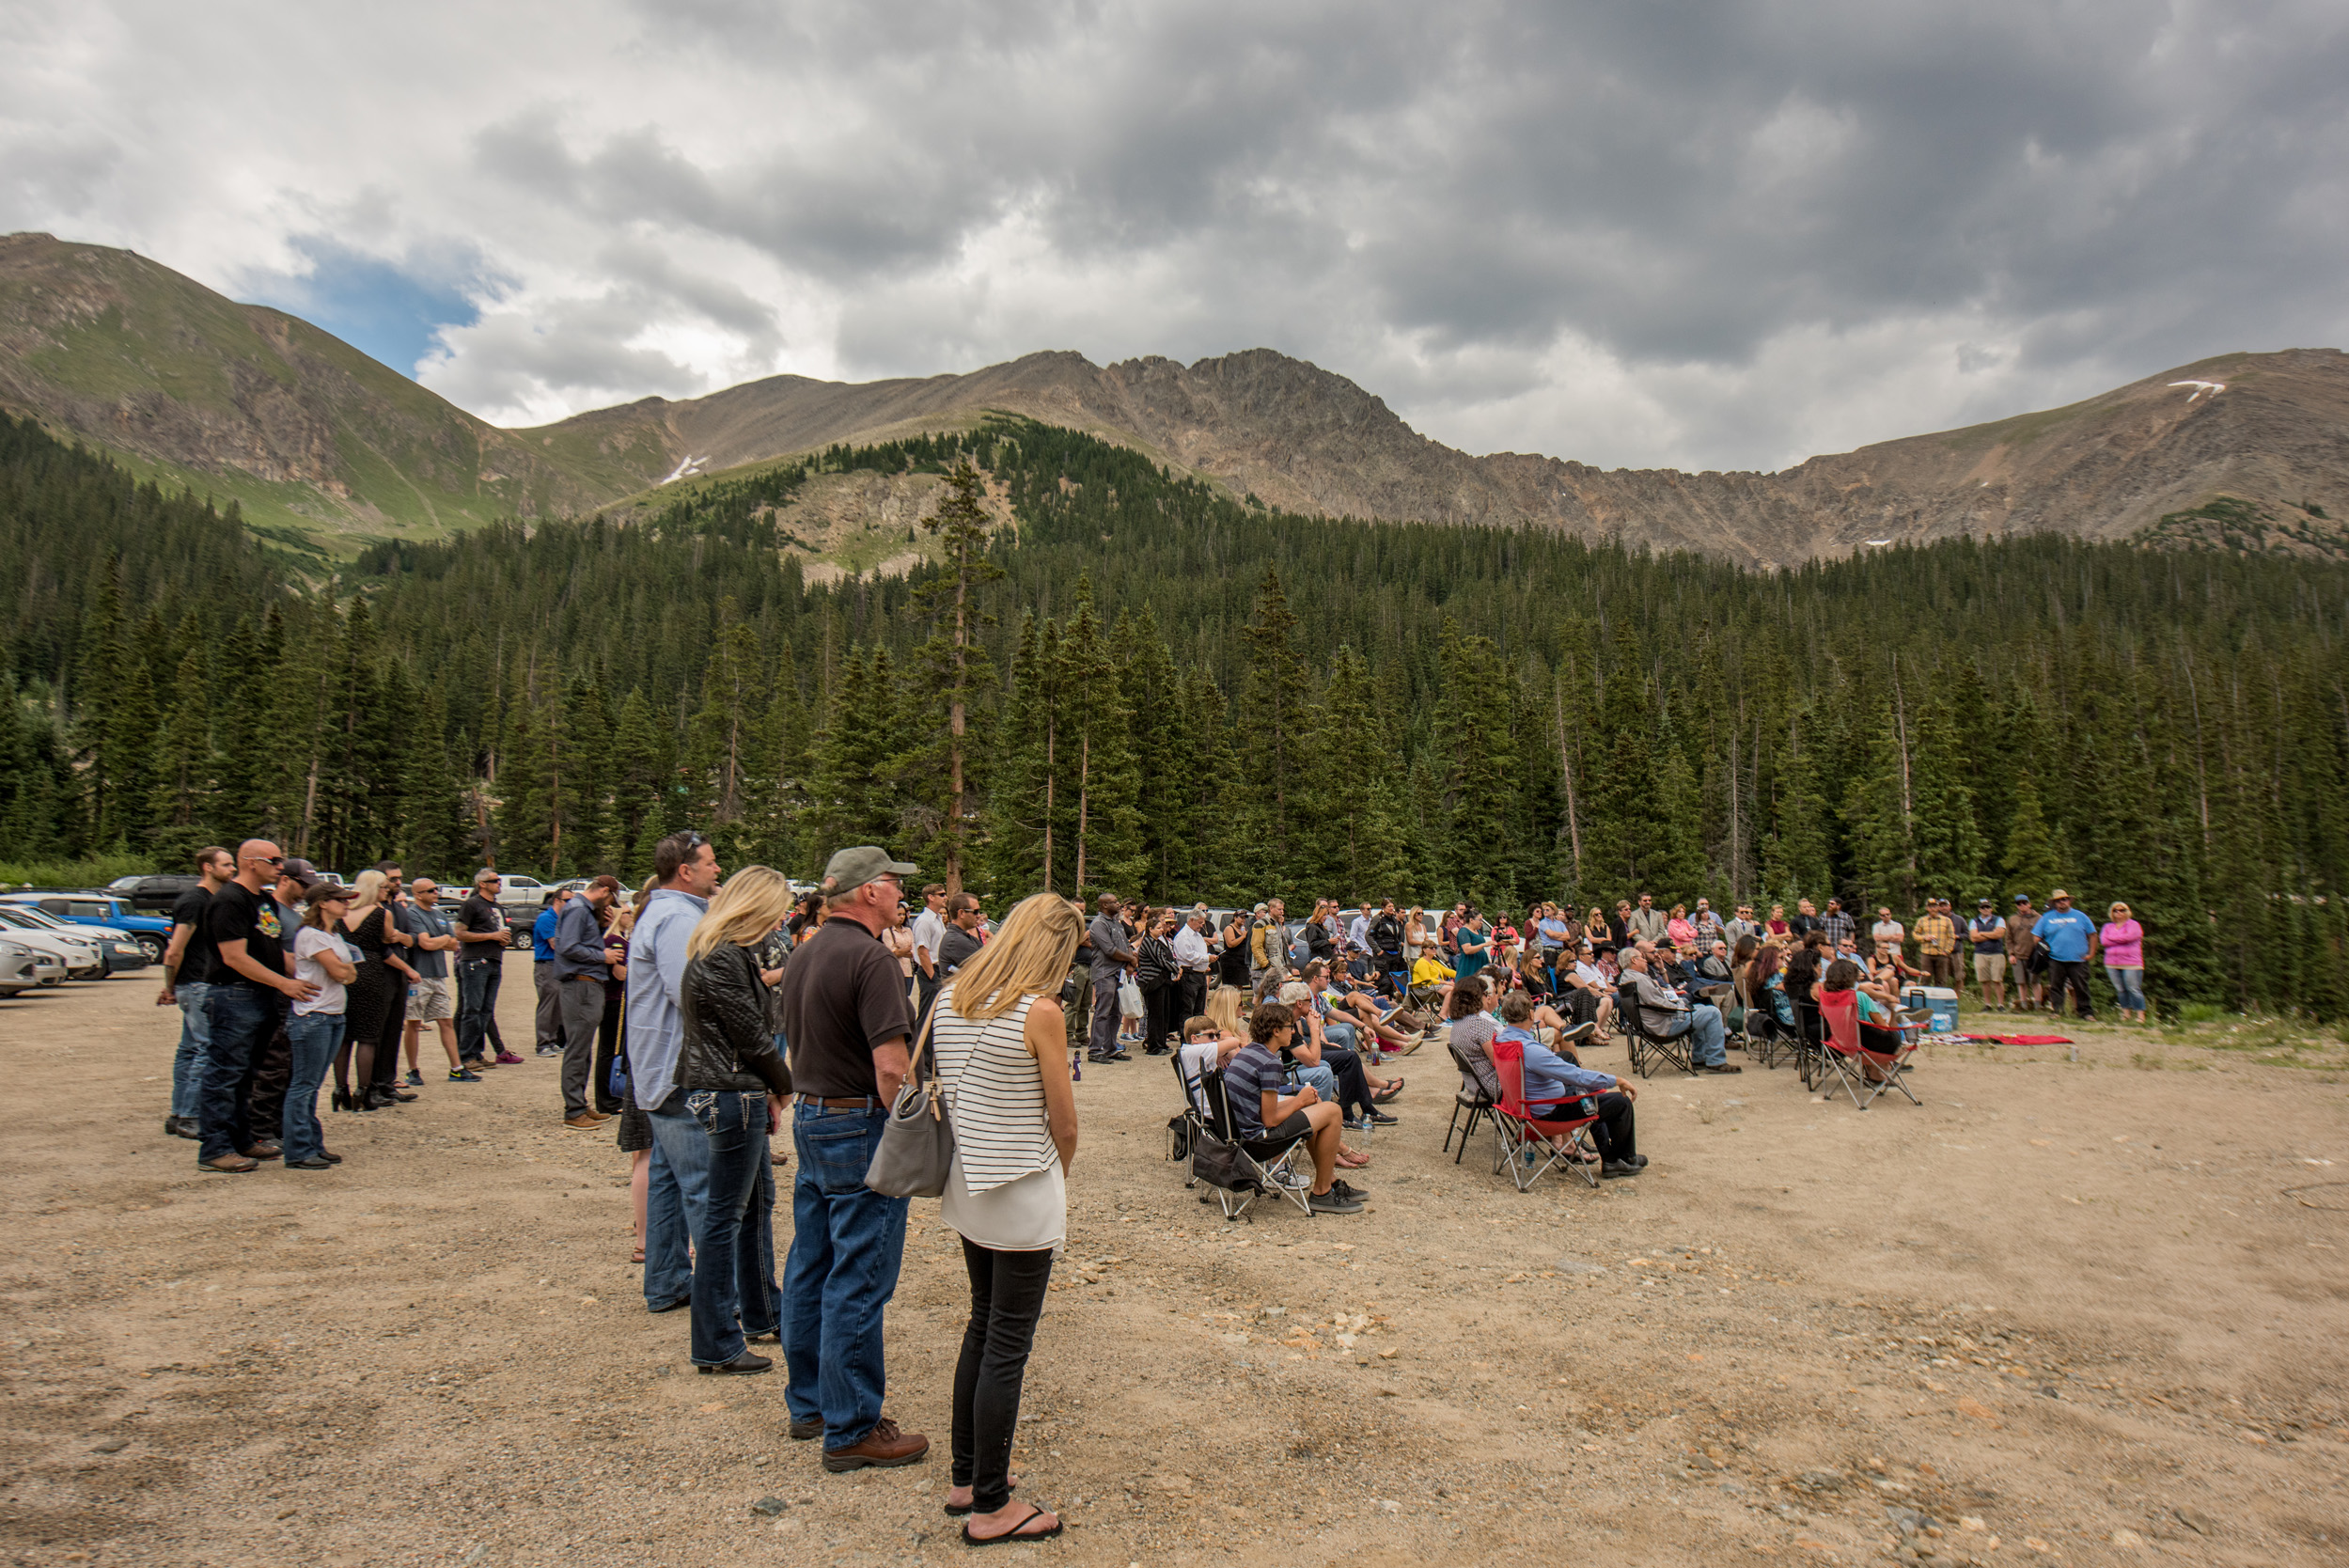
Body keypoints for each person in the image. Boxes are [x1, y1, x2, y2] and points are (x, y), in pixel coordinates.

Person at [926, 893, 1083, 1544]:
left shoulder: (950, 997)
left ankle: (969, 1475)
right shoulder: (1038, 1011)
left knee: (981, 1327)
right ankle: (991, 1505)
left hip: (970, 1181)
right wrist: (1059, 1173)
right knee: (1007, 1346)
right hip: (1020, 1181)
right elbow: (1063, 1120)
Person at [773, 845, 929, 1471]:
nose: (900, 895)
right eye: (894, 885)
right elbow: (891, 1066)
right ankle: (852, 1425)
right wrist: (913, 1128)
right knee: (860, 1276)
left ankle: (810, 1402)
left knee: (811, 1263)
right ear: (868, 892)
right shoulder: (871, 959)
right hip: (859, 1121)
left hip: (813, 1115)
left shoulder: (806, 952)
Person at [679, 866, 796, 1375]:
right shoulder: (723, 957)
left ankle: (763, 1311)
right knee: (724, 1219)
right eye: (775, 911)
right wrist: (785, 1083)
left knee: (753, 1208)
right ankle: (716, 1342)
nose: (779, 922)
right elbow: (751, 1036)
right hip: (731, 1093)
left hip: (738, 1092)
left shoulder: (728, 954)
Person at [632, 831, 726, 1318]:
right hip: (679, 1072)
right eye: (709, 863)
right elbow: (689, 994)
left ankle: (667, 1280)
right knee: (706, 1187)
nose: (717, 869)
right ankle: (720, 1299)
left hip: (662, 1069)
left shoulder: (667, 912)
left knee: (668, 1181)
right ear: (685, 870)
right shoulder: (675, 918)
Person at [197, 839, 315, 1171]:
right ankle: (214, 1149)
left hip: (262, 994)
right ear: (250, 862)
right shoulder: (230, 900)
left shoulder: (263, 900)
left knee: (248, 1073)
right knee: (224, 1074)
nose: (281, 866)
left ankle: (242, 1140)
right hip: (234, 994)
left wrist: (314, 974)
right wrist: (284, 983)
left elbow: (275, 950)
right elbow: (234, 957)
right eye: (275, 860)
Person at [1225, 1004, 1365, 1215]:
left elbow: (1263, 1108)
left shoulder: (1249, 1053)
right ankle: (1322, 1192)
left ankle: (1331, 1181)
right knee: (1333, 1112)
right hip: (1259, 1141)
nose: (1293, 1031)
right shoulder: (1270, 1062)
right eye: (1290, 1027)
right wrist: (1298, 1101)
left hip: (1241, 1132)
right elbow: (1271, 1119)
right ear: (1276, 1031)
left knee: (1315, 1106)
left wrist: (1302, 1101)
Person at [1496, 992, 1644, 1176]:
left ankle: (1612, 1158)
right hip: (1546, 1114)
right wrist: (1617, 1080)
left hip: (1521, 1107)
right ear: (1531, 1015)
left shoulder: (1502, 1040)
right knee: (1619, 1102)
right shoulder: (1530, 1050)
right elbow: (1576, 1075)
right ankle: (1623, 1158)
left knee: (1582, 1088)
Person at [159, 845, 234, 1138]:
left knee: (189, 1049)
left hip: (198, 984)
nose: (232, 870)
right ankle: (191, 1115)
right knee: (207, 1048)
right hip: (196, 984)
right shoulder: (194, 901)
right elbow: (174, 950)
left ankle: (179, 1113)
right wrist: (170, 987)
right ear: (208, 867)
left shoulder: (215, 899)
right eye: (227, 865)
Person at [283, 882, 358, 1169]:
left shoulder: (333, 935)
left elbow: (347, 972)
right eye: (341, 899)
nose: (347, 903)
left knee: (312, 1085)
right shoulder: (311, 935)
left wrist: (346, 972)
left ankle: (312, 1143)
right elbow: (342, 972)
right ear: (323, 903)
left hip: (333, 1014)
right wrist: (346, 972)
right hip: (314, 1016)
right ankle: (299, 1150)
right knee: (303, 1085)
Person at [335, 870, 418, 1113]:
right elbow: (387, 946)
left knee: (346, 1034)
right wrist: (408, 964)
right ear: (373, 889)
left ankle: (340, 1088)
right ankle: (365, 1091)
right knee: (369, 1036)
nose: (387, 890)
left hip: (347, 971)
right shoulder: (382, 913)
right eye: (383, 886)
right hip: (372, 972)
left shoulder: (343, 913)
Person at [555, 875, 619, 1129]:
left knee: (583, 1048)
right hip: (580, 984)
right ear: (604, 891)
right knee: (578, 1048)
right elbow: (568, 947)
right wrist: (602, 955)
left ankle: (579, 1104)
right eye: (610, 898)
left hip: (588, 983)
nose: (610, 904)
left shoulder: (584, 911)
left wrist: (602, 928)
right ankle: (573, 1111)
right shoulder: (578, 909)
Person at [1619, 944, 1740, 1074]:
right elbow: (1656, 1003)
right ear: (1633, 960)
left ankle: (1700, 1058)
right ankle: (1716, 1061)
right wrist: (1679, 1007)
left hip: (1651, 1023)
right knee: (1713, 1013)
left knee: (1700, 1008)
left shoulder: (1626, 977)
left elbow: (1653, 1002)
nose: (1645, 960)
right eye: (1642, 958)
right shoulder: (1639, 979)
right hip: (1663, 1025)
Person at [401, 878, 469, 1084]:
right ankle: (413, 1070)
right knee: (413, 1023)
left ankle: (456, 1068)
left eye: (436, 889)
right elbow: (425, 943)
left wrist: (434, 940)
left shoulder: (439, 915)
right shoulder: (412, 914)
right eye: (430, 890)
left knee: (446, 1021)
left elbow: (453, 944)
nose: (436, 893)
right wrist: (439, 941)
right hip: (418, 976)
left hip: (438, 975)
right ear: (418, 894)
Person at [454, 869, 517, 1068]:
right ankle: (465, 1056)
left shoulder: (497, 907)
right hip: (474, 961)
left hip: (494, 960)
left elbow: (497, 933)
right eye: (495, 880)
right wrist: (491, 937)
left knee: (485, 1011)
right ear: (482, 884)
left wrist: (502, 939)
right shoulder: (472, 904)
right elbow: (459, 933)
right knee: (472, 1009)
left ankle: (477, 1053)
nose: (499, 883)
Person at [1082, 893, 1135, 1064]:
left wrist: (1129, 963)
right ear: (1104, 905)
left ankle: (1110, 1048)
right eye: (1114, 902)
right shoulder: (1098, 924)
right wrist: (1130, 959)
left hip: (1117, 972)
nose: (1118, 904)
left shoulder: (1116, 923)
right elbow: (1110, 950)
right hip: (1105, 972)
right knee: (1102, 1011)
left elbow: (1126, 944)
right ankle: (1095, 1050)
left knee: (1115, 1013)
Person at [2033, 889, 2100, 1020]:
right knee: (2055, 986)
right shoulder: (2047, 917)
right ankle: (2057, 1011)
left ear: (2069, 900)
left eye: (2064, 899)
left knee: (2081, 986)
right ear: (2054, 903)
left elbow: (2093, 934)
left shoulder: (2080, 916)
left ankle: (2086, 1012)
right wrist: (2043, 950)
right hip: (2055, 958)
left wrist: (2091, 953)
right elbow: (2036, 936)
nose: (2061, 902)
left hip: (2078, 958)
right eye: (2058, 901)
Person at [1134, 911, 1181, 1057]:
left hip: (1162, 982)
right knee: (1156, 1015)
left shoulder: (1158, 941)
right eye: (1159, 927)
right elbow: (1160, 960)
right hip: (1152, 983)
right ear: (1150, 929)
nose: (1162, 929)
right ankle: (1153, 1046)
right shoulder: (1148, 942)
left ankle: (1161, 1042)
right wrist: (1176, 969)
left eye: (1162, 927)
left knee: (1164, 1014)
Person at [532, 889, 571, 1058]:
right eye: (567, 901)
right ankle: (542, 1043)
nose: (570, 905)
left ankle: (552, 1040)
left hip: (559, 964)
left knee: (558, 1006)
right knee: (547, 1005)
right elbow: (556, 944)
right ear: (557, 901)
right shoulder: (546, 919)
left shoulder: (563, 920)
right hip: (547, 964)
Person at [2101, 902, 2147, 1024]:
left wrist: (2113, 938)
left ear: (2127, 912)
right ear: (2112, 913)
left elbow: (2130, 937)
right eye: (2116, 910)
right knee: (2120, 989)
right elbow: (2104, 941)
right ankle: (2126, 1014)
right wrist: (2120, 939)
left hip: (2131, 962)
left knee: (2133, 988)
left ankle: (2140, 1015)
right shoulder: (2107, 927)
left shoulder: (2134, 925)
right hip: (2111, 962)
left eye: (2122, 910)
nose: (2119, 913)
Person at [910, 882, 948, 1023]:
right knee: (927, 1014)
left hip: (939, 969)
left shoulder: (937, 919)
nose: (946, 897)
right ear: (931, 897)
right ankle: (921, 1044)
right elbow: (922, 952)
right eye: (942, 894)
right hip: (930, 970)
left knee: (937, 1013)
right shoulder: (924, 921)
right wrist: (933, 977)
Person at [1173, 907, 1214, 1027]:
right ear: (1192, 920)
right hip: (1189, 975)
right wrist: (1207, 958)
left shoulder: (1198, 936)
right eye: (1200, 923)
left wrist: (1205, 963)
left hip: (1200, 974)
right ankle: (1185, 1038)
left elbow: (1199, 952)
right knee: (1187, 1008)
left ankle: (1198, 1034)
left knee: (1199, 1009)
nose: (1201, 926)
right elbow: (1188, 956)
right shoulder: (1183, 936)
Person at [1967, 899, 2011, 1010]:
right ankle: (1988, 1004)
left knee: (1997, 980)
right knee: (1984, 980)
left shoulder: (1999, 920)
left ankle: (2000, 1004)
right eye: (1983, 907)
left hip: (1996, 952)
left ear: (1991, 908)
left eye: (1987, 907)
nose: (1985, 909)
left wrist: (1982, 934)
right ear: (1979, 909)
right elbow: (1973, 937)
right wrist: (1991, 934)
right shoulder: (1974, 921)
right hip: (1980, 953)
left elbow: (1999, 934)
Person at [2006, 895, 2045, 1010]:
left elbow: (2044, 936)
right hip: (2018, 954)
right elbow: (2009, 938)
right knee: (2021, 981)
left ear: (2029, 904)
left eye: (2024, 903)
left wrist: (2042, 953)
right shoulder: (2012, 919)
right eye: (2019, 903)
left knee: (2035, 981)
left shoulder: (2039, 918)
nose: (2022, 905)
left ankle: (2038, 1005)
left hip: (2035, 955)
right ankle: (2023, 1005)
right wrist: (2011, 954)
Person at [939, 893, 988, 981]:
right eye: (975, 912)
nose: (979, 916)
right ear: (961, 913)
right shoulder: (956, 941)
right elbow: (987, 970)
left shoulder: (965, 937)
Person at [1912, 898, 1959, 990]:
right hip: (1926, 954)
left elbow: (1951, 937)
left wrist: (1947, 951)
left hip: (1941, 954)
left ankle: (1939, 1002)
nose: (1932, 909)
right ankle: (1925, 1002)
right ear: (1927, 908)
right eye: (1930, 907)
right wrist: (1924, 937)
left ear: (1938, 908)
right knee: (1925, 979)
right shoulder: (1922, 920)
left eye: (1934, 906)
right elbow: (1915, 934)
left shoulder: (1946, 920)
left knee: (1941, 980)